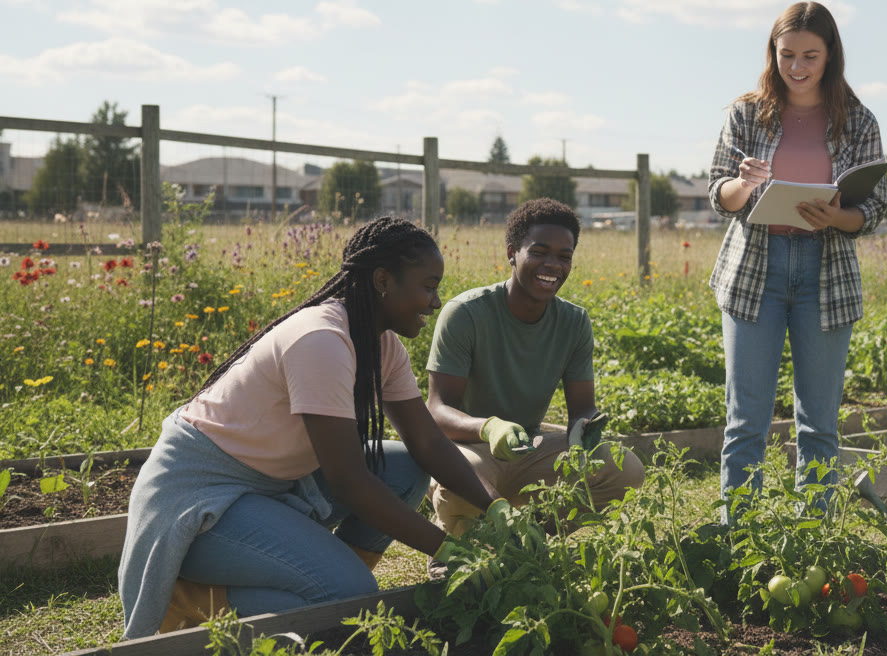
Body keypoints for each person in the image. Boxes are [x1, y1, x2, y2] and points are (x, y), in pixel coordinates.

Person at [118, 217, 500, 639]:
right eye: (428, 285)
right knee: (348, 597)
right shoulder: (321, 340)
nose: (434, 301)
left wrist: (494, 507)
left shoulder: (381, 346)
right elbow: (350, 481)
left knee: (405, 469)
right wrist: (447, 548)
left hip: (270, 486)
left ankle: (329, 580)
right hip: (203, 500)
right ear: (382, 281)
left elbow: (427, 440)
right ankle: (188, 598)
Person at [708, 1, 887, 517]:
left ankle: (816, 536)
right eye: (787, 55)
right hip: (754, 272)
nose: (798, 67)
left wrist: (839, 217)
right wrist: (742, 185)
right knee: (746, 419)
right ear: (773, 53)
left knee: (819, 422)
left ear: (831, 55)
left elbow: (873, 207)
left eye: (810, 55)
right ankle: (737, 533)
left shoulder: (856, 120)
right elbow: (717, 193)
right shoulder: (746, 112)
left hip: (824, 272)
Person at [423, 198, 644, 558]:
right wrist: (489, 428)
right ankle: (459, 548)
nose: (553, 265)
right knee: (462, 480)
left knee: (625, 471)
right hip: (466, 451)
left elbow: (582, 408)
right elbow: (437, 410)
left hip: (528, 449)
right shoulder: (466, 313)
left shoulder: (573, 322)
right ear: (512, 252)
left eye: (564, 256)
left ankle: (530, 543)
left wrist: (584, 432)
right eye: (539, 252)